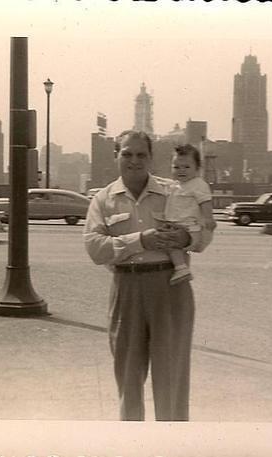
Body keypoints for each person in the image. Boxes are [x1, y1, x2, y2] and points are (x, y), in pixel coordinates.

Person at [83, 130, 212, 421]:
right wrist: (141, 240)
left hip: (170, 287)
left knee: (171, 378)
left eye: (142, 154)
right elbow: (94, 249)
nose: (134, 161)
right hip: (126, 289)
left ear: (152, 158)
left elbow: (203, 238)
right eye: (127, 154)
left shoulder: (175, 191)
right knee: (128, 377)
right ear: (116, 155)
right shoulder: (103, 200)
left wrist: (184, 236)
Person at [163, 144, 217, 285]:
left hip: (190, 227)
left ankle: (181, 269)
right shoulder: (176, 185)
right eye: (176, 167)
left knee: (171, 244)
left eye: (186, 167)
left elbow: (205, 202)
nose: (181, 171)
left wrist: (208, 218)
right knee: (177, 248)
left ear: (197, 169)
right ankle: (183, 267)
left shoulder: (198, 184)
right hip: (180, 226)